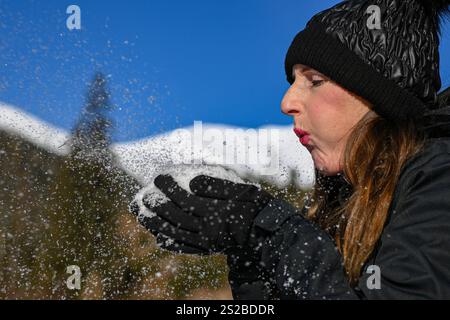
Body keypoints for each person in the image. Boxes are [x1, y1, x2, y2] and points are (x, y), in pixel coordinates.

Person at [130, 0, 450, 299]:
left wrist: (269, 231)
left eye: (314, 81)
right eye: (292, 81)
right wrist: (248, 251)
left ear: (379, 96)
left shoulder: (439, 176)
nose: (286, 102)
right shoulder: (344, 199)